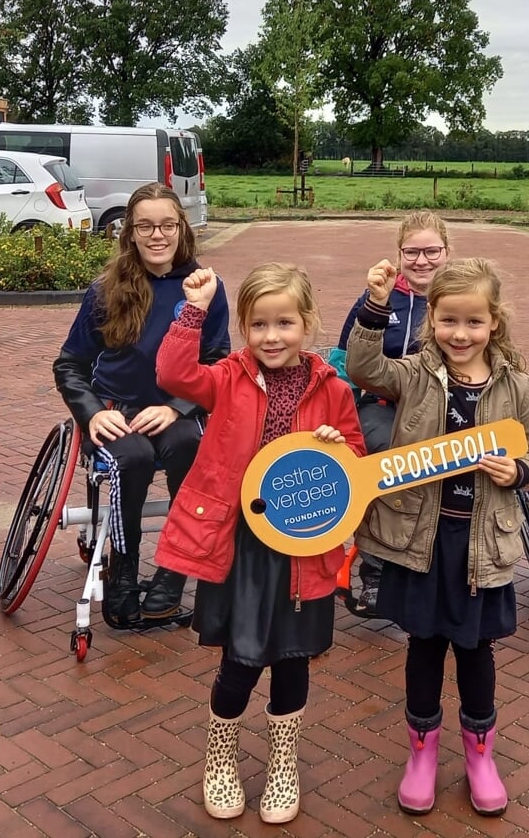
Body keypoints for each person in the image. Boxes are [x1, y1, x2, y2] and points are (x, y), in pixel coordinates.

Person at [155, 262, 365, 824]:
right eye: (260, 325)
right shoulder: (227, 376)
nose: (273, 337)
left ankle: (282, 763)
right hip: (242, 546)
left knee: (294, 659)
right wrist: (192, 311)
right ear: (246, 328)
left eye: (285, 324)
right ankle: (220, 755)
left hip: (305, 549)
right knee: (241, 658)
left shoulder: (334, 389)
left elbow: (355, 465)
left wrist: (336, 446)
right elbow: (176, 377)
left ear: (308, 323)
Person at [346, 257, 529, 818]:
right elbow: (363, 366)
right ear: (430, 318)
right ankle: (422, 752)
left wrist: (521, 472)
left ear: (494, 323)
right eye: (448, 321)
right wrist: (377, 304)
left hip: (481, 544)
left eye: (473, 322)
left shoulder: (518, 385)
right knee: (424, 647)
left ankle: (479, 753)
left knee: (476, 650)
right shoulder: (412, 373)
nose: (460, 334)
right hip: (423, 541)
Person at [53, 183, 228, 631]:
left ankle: (173, 571)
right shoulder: (105, 289)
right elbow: (70, 364)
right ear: (129, 232)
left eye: (167, 225)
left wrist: (178, 405)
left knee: (189, 444)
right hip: (116, 407)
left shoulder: (205, 287)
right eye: (145, 225)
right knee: (132, 457)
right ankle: (125, 573)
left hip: (171, 411)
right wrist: (92, 411)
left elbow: (217, 361)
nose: (157, 235)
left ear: (181, 228)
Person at [334, 211, 452, 612]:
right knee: (390, 458)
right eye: (412, 252)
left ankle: (443, 565)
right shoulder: (379, 297)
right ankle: (376, 571)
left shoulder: (461, 295)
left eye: (431, 251)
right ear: (398, 255)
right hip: (384, 406)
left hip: (447, 405)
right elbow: (342, 360)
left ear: (447, 252)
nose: (422, 261)